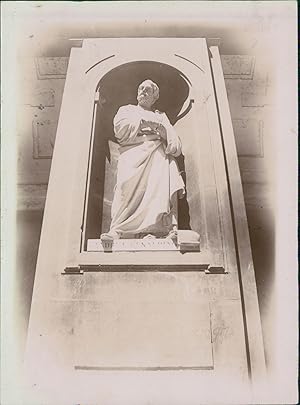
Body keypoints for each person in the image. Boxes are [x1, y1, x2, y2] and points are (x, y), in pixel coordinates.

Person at [101, 79, 185, 240]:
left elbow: (176, 145)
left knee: (157, 190)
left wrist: (161, 129)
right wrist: (144, 123)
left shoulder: (161, 116)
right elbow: (120, 129)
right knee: (125, 189)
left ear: (155, 97)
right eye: (141, 88)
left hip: (157, 156)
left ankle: (155, 230)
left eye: (148, 90)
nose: (143, 92)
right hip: (132, 155)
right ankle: (117, 229)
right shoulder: (126, 110)